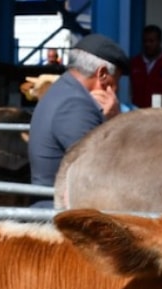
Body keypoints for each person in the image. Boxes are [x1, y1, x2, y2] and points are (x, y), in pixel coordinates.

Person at [28, 33, 128, 204]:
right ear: (102, 74)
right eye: (116, 80)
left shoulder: (63, 89)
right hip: (58, 212)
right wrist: (115, 120)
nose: (116, 88)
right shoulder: (76, 104)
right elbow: (102, 165)